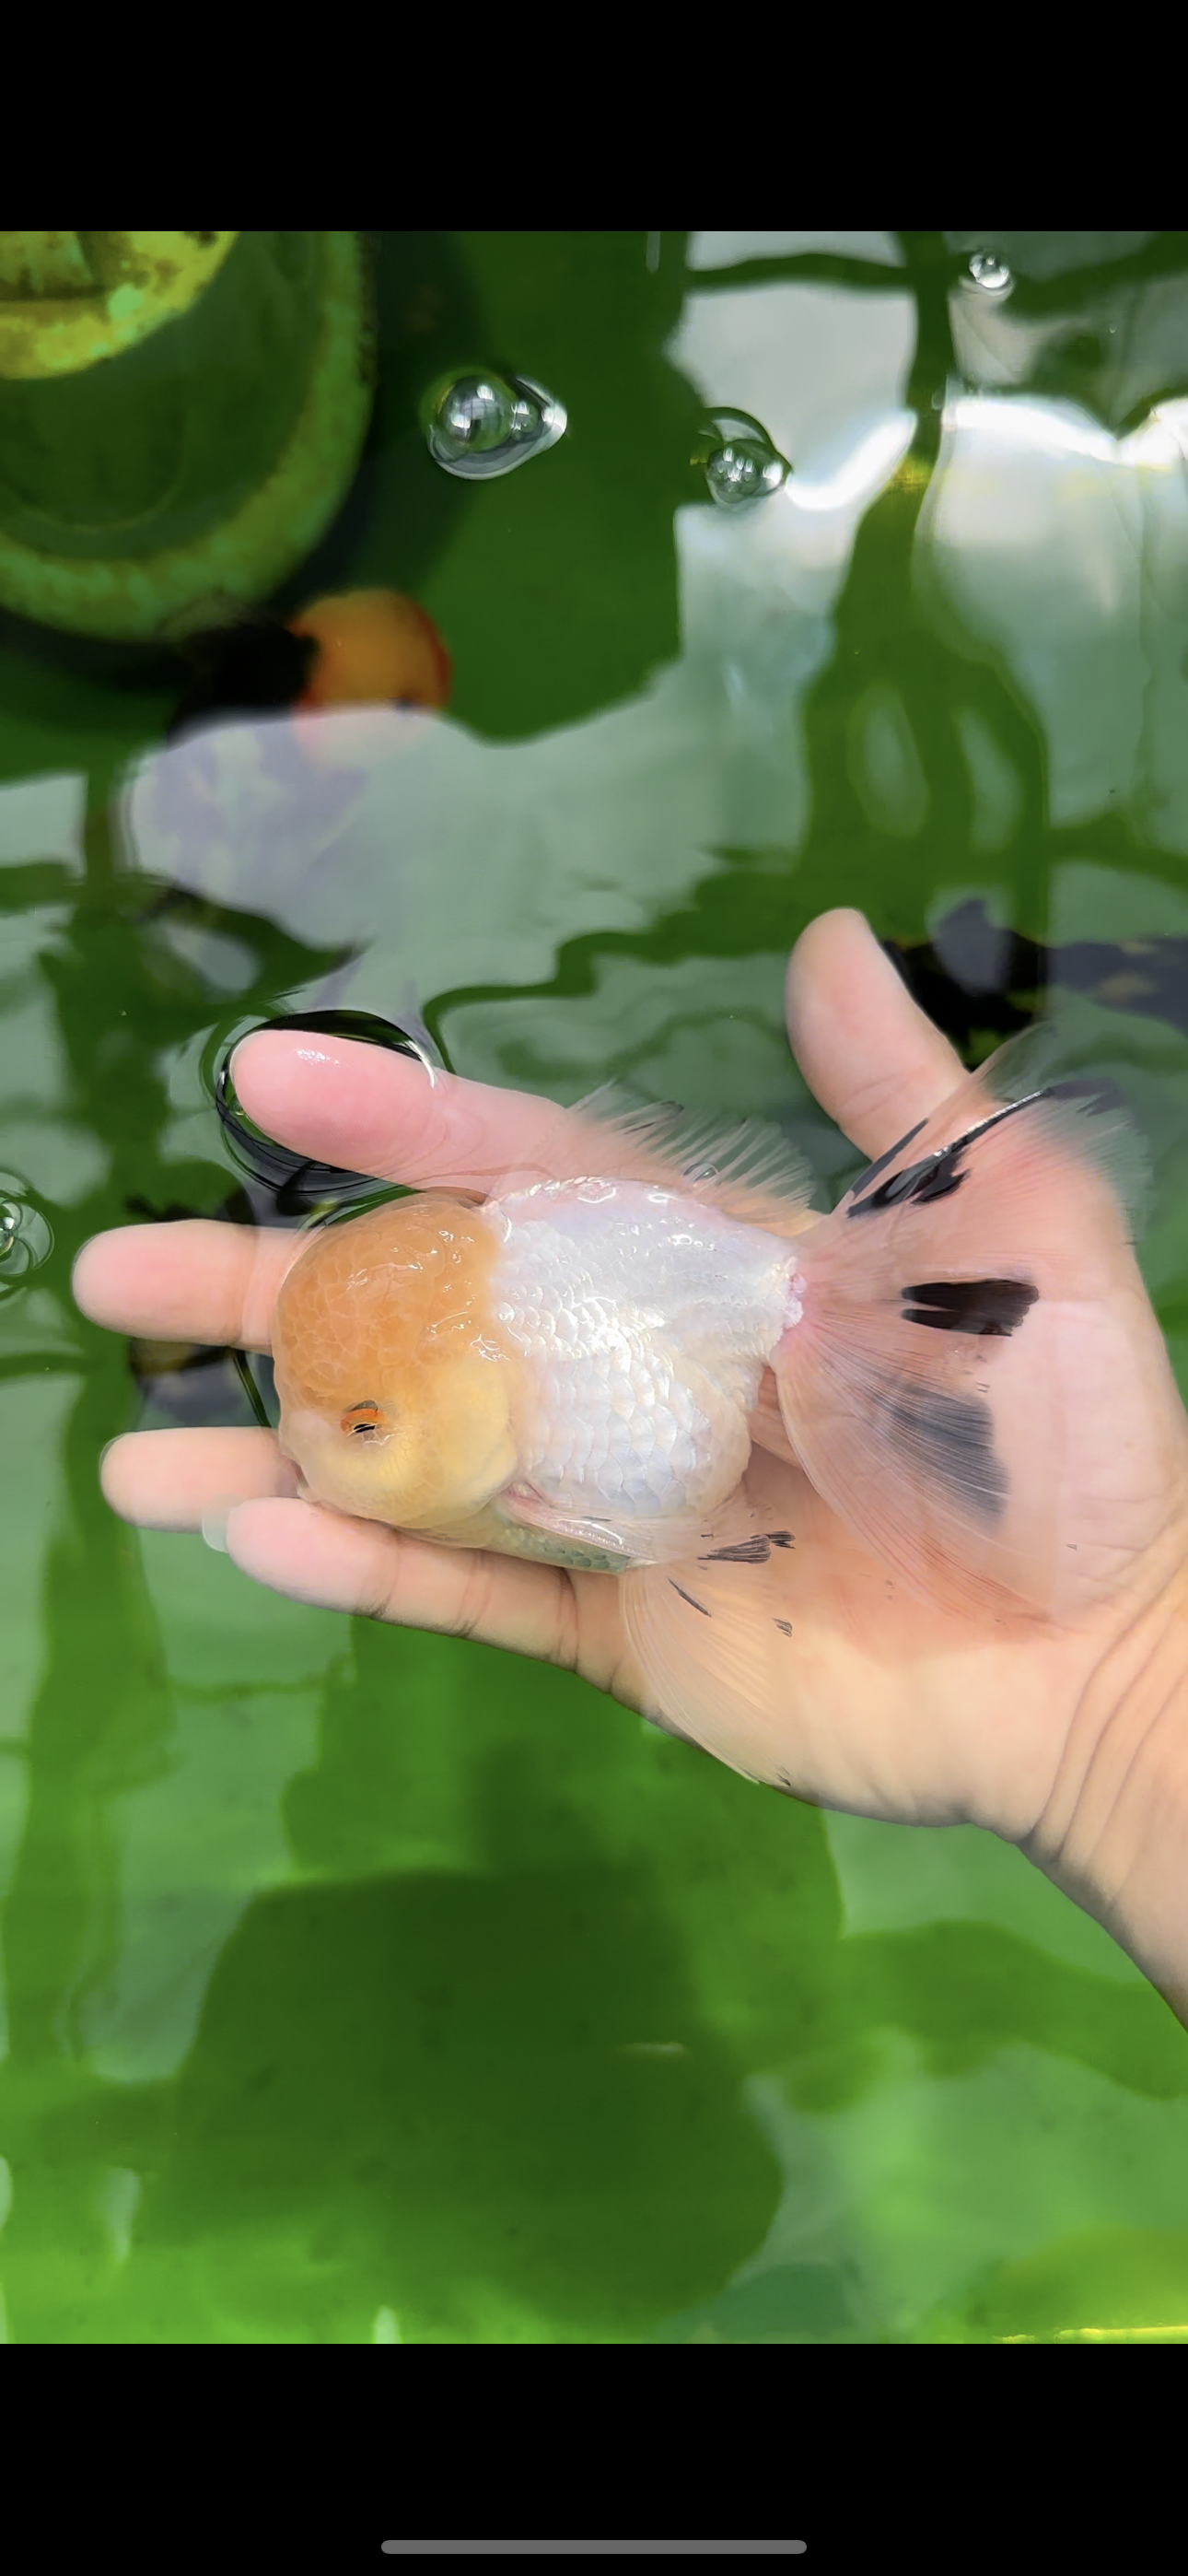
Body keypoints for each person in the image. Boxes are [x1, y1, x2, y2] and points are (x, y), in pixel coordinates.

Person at [74, 910, 1188, 2029]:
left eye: (364, 1428)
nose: (316, 1452)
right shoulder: (500, 1359)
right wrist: (1117, 1695)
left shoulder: (542, 1445)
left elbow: (657, 1539)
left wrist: (1128, 1658)